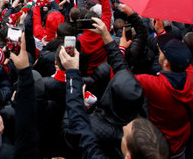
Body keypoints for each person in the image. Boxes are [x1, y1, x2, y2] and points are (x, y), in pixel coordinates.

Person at [59, 20, 169, 159]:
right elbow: (122, 68)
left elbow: (75, 128)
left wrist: (72, 74)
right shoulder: (140, 110)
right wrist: (106, 36)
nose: (125, 128)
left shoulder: (97, 132)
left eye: (127, 134)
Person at [135, 33, 193, 158]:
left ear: (166, 63)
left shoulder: (152, 84)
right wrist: (162, 33)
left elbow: (121, 77)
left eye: (162, 53)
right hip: (181, 144)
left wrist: (120, 48)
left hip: (157, 144)